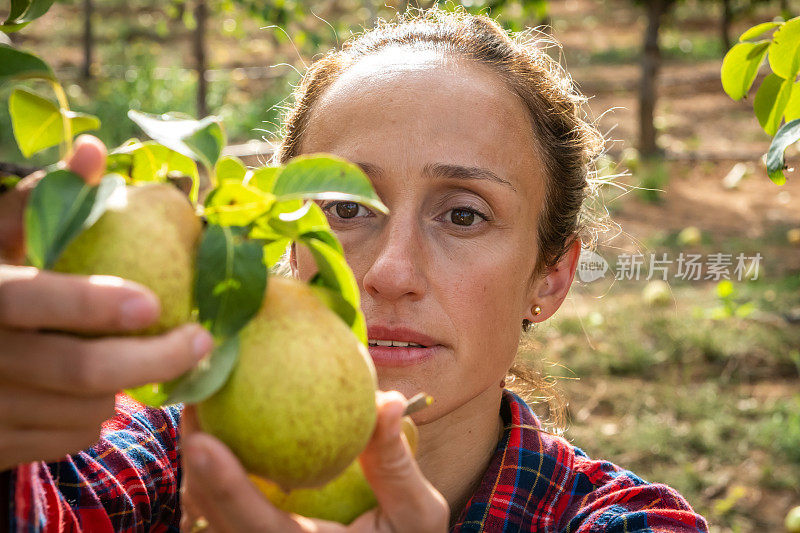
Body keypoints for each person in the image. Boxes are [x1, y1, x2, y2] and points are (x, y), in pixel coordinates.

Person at [0, 7, 709, 533]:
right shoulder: (159, 460)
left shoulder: (620, 521)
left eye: (463, 214)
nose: (391, 271)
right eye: (345, 207)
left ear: (549, 277)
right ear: (284, 232)